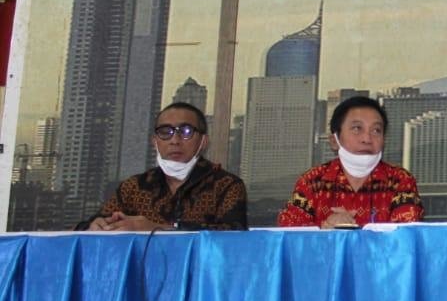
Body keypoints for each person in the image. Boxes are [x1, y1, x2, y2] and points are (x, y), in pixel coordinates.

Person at [86, 102, 247, 231]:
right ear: (154, 142)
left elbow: (233, 235)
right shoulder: (134, 187)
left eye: (185, 131)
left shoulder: (226, 185)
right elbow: (88, 225)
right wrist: (97, 225)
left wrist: (159, 229)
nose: (174, 141)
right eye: (165, 132)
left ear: (203, 141)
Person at [278, 95, 423, 227]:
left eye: (376, 130)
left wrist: (352, 233)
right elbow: (289, 233)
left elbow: (406, 236)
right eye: (357, 129)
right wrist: (325, 229)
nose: (367, 139)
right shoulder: (311, 182)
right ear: (334, 141)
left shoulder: (400, 181)